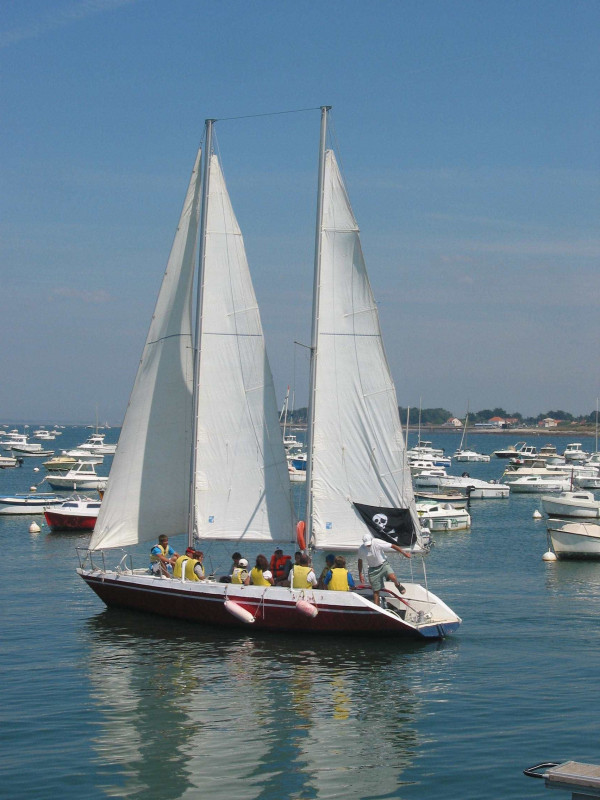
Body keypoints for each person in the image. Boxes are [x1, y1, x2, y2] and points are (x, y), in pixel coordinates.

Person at [357, 533, 411, 607]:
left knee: (393, 577)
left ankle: (397, 584)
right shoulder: (361, 549)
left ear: (372, 540)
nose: (368, 545)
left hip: (383, 564)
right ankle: (377, 609)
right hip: (373, 569)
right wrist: (360, 573)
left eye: (369, 544)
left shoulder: (377, 542)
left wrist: (404, 553)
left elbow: (393, 546)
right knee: (376, 592)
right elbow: (360, 561)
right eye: (366, 544)